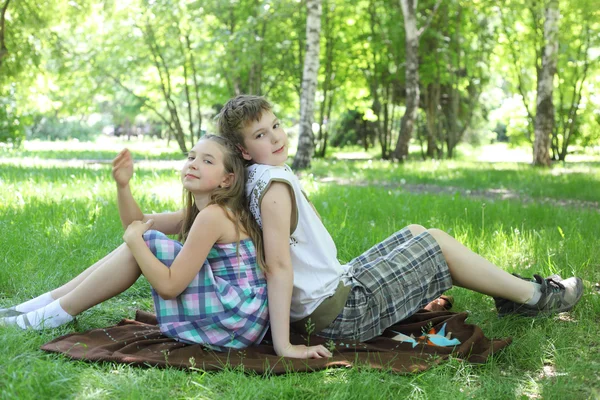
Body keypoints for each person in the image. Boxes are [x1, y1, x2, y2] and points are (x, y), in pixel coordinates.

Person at [216, 94, 584, 359]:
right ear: (244, 150)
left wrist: (159, 221)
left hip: (336, 287)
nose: (276, 136)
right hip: (341, 315)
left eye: (275, 125)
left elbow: (207, 217)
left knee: (415, 232)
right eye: (261, 134)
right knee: (436, 242)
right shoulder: (273, 190)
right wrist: (284, 345)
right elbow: (278, 266)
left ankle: (509, 292)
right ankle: (534, 298)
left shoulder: (254, 177)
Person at [0, 135, 269, 351]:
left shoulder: (214, 216)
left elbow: (169, 286)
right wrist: (123, 186)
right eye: (191, 157)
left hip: (235, 321)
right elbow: (137, 221)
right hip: (239, 318)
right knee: (141, 237)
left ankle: (50, 314)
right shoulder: (205, 212)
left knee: (145, 240)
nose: (194, 164)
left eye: (207, 161)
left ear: (227, 179)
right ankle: (41, 307)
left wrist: (136, 240)